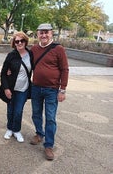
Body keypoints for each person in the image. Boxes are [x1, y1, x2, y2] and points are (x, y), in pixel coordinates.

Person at [30, 23, 69, 160]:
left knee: (50, 118)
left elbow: (64, 69)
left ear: (51, 33)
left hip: (52, 90)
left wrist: (62, 89)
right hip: (35, 88)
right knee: (36, 114)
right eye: (41, 32)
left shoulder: (59, 49)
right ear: (37, 34)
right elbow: (25, 62)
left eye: (46, 32)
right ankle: (39, 134)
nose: (44, 35)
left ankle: (49, 145)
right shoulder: (34, 49)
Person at [0, 31, 33, 143]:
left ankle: (16, 130)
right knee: (10, 110)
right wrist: (6, 88)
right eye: (17, 41)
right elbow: (3, 73)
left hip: (23, 88)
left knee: (18, 111)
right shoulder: (11, 55)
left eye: (22, 40)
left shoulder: (31, 54)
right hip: (11, 88)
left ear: (25, 41)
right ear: (14, 43)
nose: (19, 43)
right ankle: (9, 129)